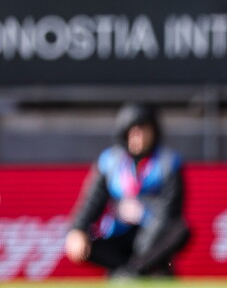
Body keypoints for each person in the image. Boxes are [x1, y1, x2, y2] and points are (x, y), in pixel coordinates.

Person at [64, 103, 191, 278]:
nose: (138, 138)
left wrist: (143, 210)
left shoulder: (168, 162)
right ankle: (129, 271)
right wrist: (77, 229)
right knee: (81, 240)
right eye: (133, 132)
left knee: (179, 231)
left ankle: (136, 271)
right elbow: (92, 201)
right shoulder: (110, 162)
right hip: (117, 234)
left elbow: (172, 210)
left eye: (144, 131)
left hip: (151, 237)